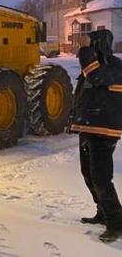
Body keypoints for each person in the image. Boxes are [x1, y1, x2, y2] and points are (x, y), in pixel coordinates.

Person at [70, 29, 122, 243]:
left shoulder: (114, 66)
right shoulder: (95, 63)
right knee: (88, 174)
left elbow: (95, 76)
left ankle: (116, 222)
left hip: (105, 130)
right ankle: (102, 211)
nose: (84, 44)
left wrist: (84, 51)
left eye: (90, 41)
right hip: (88, 127)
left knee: (101, 177)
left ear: (99, 43)